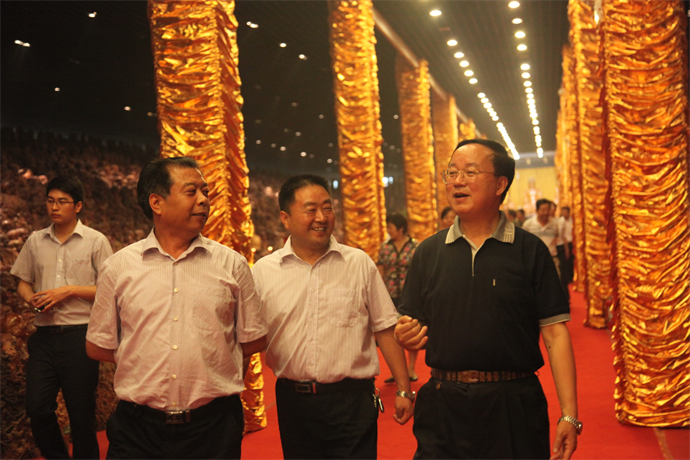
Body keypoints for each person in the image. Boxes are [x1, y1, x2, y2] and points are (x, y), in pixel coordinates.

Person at [395, 139, 580, 460]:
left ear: (500, 184)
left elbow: (555, 334)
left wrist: (569, 414)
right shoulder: (428, 252)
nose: (457, 181)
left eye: (470, 172)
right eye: (451, 173)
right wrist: (405, 334)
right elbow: (410, 322)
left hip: (513, 403)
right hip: (443, 402)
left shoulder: (529, 250)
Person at [85, 157, 267, 460]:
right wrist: (144, 356)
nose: (203, 200)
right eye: (191, 191)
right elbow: (98, 346)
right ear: (156, 202)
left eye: (205, 192)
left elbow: (252, 341)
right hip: (137, 430)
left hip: (214, 428)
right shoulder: (119, 267)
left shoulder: (232, 264)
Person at [251, 174, 413, 460]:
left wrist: (403, 389)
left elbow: (385, 327)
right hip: (293, 402)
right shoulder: (264, 272)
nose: (321, 217)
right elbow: (249, 335)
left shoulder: (358, 264)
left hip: (352, 401)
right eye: (310, 209)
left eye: (327, 208)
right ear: (285, 218)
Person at [11, 176, 113, 460]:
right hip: (43, 336)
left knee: (81, 415)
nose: (54, 207)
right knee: (37, 408)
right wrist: (31, 299)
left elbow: (109, 289)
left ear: (77, 206)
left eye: (62, 202)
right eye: (50, 201)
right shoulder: (35, 240)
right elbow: (22, 282)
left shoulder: (95, 241)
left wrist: (69, 291)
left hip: (80, 336)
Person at [377, 213, 419, 382]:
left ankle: (411, 368)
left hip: (410, 294)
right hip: (390, 294)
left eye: (391, 227)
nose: (388, 230)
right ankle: (397, 370)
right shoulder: (385, 247)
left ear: (401, 229)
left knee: (410, 329)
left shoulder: (415, 246)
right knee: (392, 332)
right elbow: (380, 270)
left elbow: (419, 270)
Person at [523, 199, 569, 279]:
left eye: (547, 210)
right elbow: (524, 243)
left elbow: (559, 239)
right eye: (543, 210)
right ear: (537, 211)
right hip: (534, 261)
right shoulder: (528, 224)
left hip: (552, 259)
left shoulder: (555, 224)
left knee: (554, 282)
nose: (545, 212)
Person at [557, 206, 574, 298]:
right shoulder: (560, 221)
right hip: (565, 243)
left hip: (571, 242)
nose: (564, 214)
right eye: (562, 212)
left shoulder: (572, 220)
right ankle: (568, 278)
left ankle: (571, 277)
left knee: (571, 261)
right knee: (565, 263)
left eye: (565, 212)